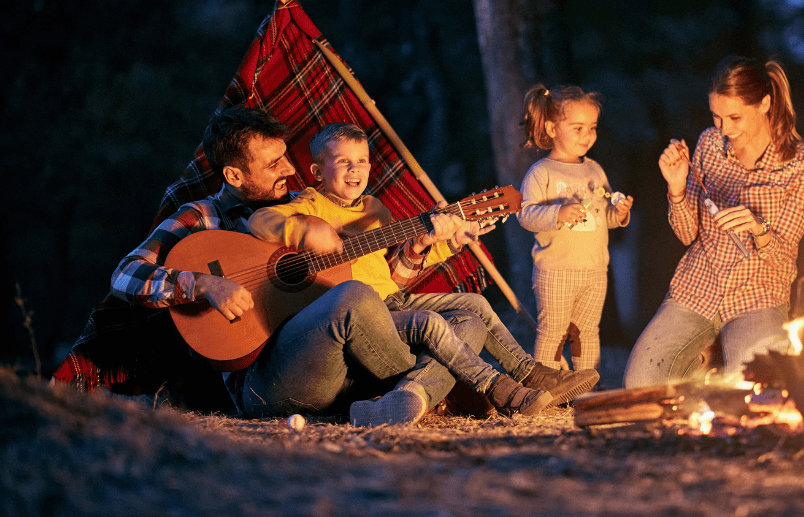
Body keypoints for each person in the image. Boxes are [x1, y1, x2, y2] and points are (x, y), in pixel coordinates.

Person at [108, 106, 511, 424]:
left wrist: (422, 244)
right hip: (269, 379)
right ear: (234, 174)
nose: (289, 169)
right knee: (352, 296)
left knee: (467, 319)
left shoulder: (312, 204)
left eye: (285, 158)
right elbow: (125, 276)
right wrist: (201, 284)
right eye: (273, 165)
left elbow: (383, 279)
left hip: (348, 365)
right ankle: (439, 384)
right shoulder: (201, 218)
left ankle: (413, 395)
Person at [246, 122, 600, 425]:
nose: (355, 170)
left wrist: (439, 242)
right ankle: (499, 389)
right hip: (360, 316)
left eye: (362, 162)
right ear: (318, 172)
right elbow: (259, 220)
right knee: (433, 322)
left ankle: (528, 372)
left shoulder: (375, 210)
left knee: (474, 306)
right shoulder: (309, 204)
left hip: (392, 300)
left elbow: (394, 276)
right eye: (343, 162)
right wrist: (302, 231)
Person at [623, 56, 804, 387]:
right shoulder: (709, 144)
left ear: (765, 103)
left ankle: (714, 365)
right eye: (716, 116)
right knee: (641, 384)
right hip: (698, 287)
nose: (724, 129)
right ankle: (703, 362)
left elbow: (782, 254)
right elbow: (687, 233)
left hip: (759, 293)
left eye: (734, 117)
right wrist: (676, 187)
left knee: (756, 388)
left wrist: (758, 228)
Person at [516, 85, 633, 373]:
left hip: (594, 270)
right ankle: (546, 384)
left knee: (588, 331)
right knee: (553, 331)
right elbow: (525, 215)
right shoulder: (541, 172)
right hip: (555, 269)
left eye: (592, 128)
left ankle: (586, 386)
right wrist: (557, 213)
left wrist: (618, 214)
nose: (587, 135)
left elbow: (603, 216)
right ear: (552, 128)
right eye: (578, 127)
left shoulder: (594, 169)